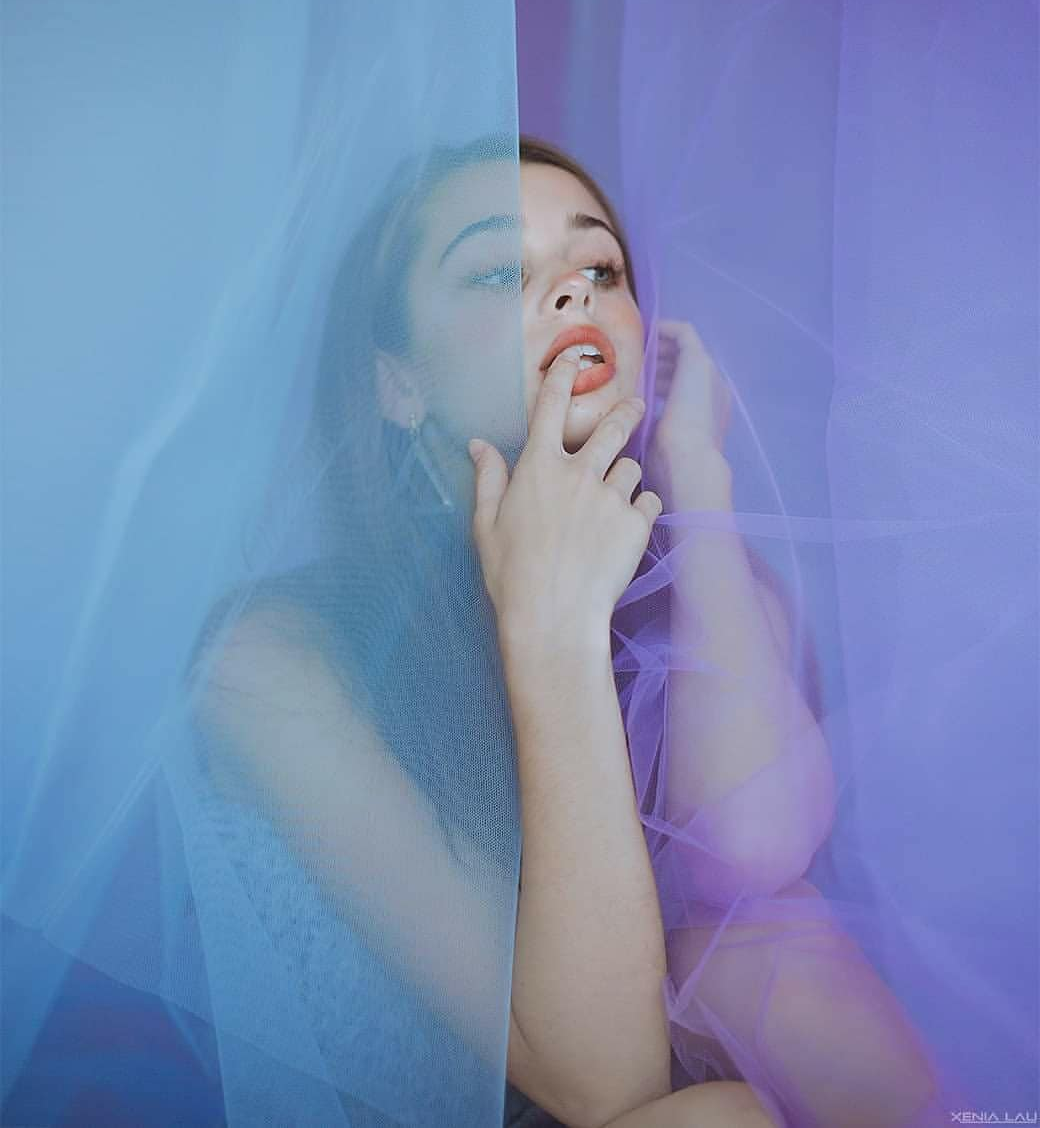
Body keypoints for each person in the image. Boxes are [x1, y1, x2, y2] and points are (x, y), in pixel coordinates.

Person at [183, 134, 951, 1127]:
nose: (572, 292)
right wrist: (551, 630)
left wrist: (698, 480)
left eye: (601, 268)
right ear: (396, 385)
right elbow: (603, 1080)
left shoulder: (696, 578)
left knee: (773, 954)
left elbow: (754, 848)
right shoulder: (274, 661)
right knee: (715, 1117)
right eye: (498, 271)